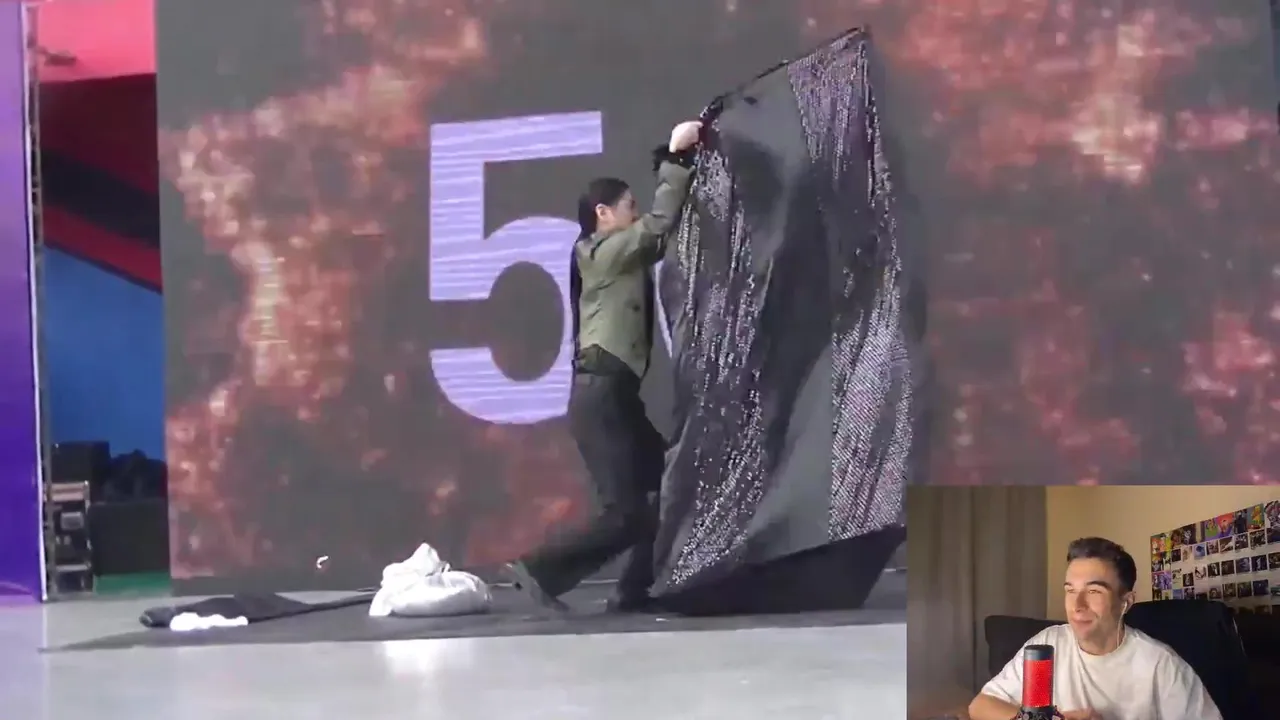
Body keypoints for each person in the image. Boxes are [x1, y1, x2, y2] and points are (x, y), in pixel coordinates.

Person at [503, 119, 704, 613]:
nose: (636, 215)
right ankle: (539, 569)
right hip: (602, 397)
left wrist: (673, 165)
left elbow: (656, 229)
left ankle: (635, 590)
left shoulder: (612, 253)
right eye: (629, 206)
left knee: (668, 489)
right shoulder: (599, 252)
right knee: (627, 513)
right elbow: (658, 229)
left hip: (617, 396)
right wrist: (676, 160)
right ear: (603, 213)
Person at [968, 537, 1222, 720]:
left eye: (1093, 591)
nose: (1076, 606)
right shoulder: (1049, 644)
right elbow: (981, 705)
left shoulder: (1162, 666)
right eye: (1070, 591)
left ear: (1125, 602)